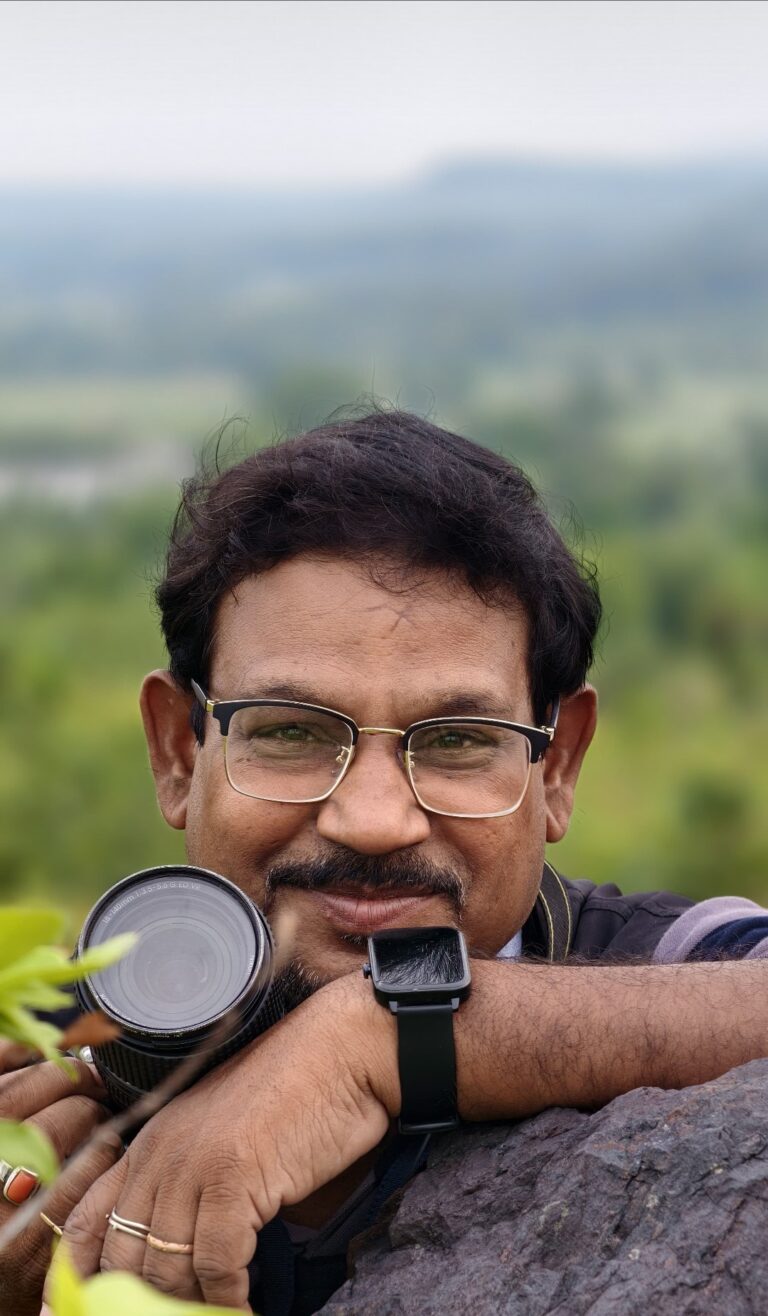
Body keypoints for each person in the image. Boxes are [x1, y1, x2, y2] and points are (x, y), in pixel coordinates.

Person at [3, 410, 768, 1316]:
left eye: (455, 740)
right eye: (291, 732)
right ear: (178, 751)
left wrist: (392, 1035)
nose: (371, 822)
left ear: (557, 767)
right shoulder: (54, 1038)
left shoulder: (670, 965)